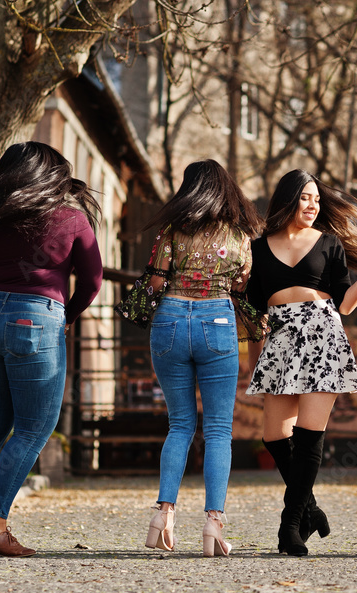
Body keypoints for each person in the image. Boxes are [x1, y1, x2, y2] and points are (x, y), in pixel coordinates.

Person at [0, 141, 103, 557]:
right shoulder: (71, 218)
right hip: (38, 320)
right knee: (33, 428)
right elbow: (92, 281)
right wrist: (66, 316)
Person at [246, 169, 357, 556]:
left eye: (317, 199)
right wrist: (254, 358)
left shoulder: (328, 243)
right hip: (280, 339)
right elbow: (255, 310)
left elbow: (346, 304)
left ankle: (290, 526)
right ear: (288, 200)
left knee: (309, 436)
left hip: (322, 336)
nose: (312, 205)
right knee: (274, 436)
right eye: (305, 198)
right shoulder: (258, 248)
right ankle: (310, 510)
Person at [136, 159, 262, 558]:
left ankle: (163, 515)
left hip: (170, 319)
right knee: (219, 429)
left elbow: (156, 280)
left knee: (179, 424)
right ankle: (213, 524)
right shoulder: (239, 235)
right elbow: (243, 284)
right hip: (218, 320)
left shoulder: (172, 230)